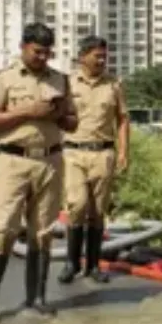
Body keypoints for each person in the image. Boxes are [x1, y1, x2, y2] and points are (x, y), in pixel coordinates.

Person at [0, 22, 77, 324]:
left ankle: (36, 297)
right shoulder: (4, 79)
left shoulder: (60, 80)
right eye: (37, 51)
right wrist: (26, 112)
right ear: (23, 47)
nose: (42, 58)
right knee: (4, 228)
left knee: (43, 231)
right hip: (14, 161)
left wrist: (60, 114)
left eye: (47, 52)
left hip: (50, 161)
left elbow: (73, 123)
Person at [59, 35, 130, 285]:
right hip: (73, 153)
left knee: (97, 212)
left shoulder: (113, 85)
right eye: (97, 55)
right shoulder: (68, 83)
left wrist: (123, 151)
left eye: (104, 56)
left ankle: (93, 265)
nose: (101, 60)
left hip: (103, 153)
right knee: (76, 205)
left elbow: (122, 119)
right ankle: (71, 263)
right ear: (83, 57)